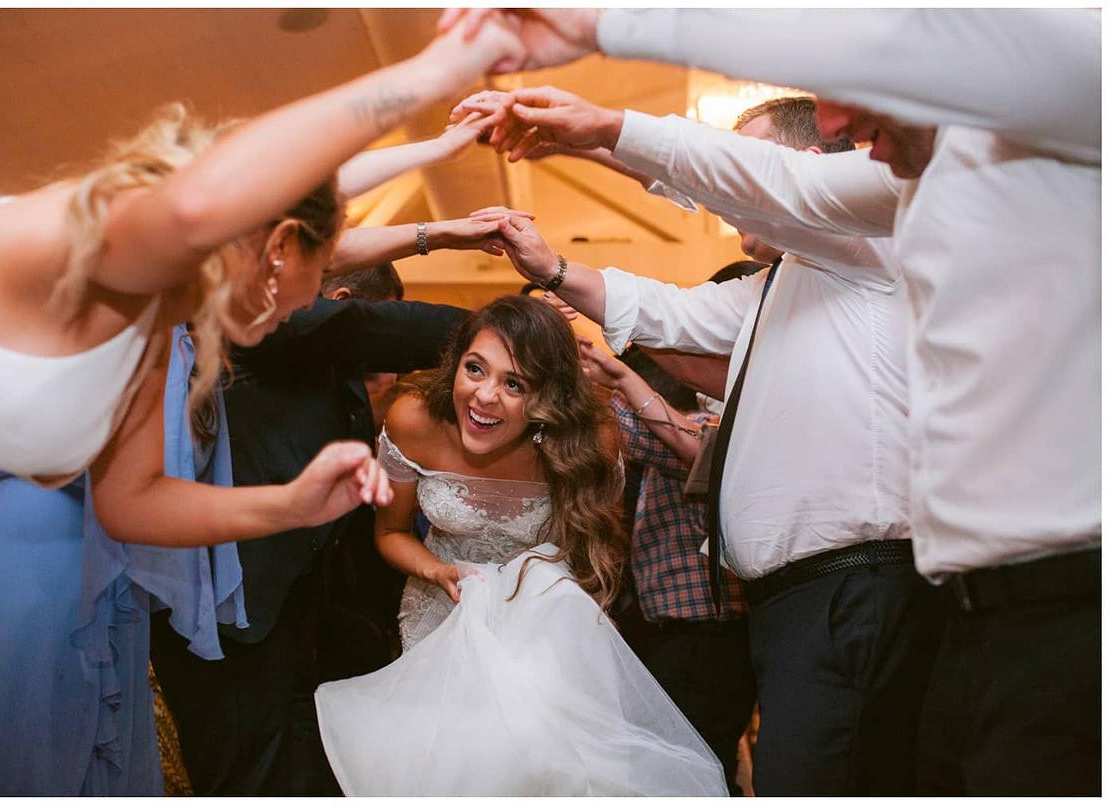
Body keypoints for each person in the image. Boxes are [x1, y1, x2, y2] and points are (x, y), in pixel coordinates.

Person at [450, 8, 1100, 795]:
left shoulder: (881, 228)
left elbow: (786, 181)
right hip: (913, 607)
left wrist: (601, 41)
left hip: (937, 592)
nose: (838, 122)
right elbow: (668, 306)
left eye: (844, 88)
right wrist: (554, 264)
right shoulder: (799, 270)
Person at [0, 14, 523, 793]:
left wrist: (289, 505)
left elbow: (132, 503)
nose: (301, 309)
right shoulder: (108, 248)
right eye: (311, 280)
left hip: (26, 557)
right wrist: (446, 68)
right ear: (276, 249)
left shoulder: (148, 324)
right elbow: (210, 203)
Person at [472, 92, 946, 795]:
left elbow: (757, 185)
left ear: (806, 166)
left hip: (853, 588)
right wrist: (551, 268)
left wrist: (599, 132)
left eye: (747, 157)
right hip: (803, 601)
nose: (731, 185)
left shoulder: (868, 244)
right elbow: (666, 311)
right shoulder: (779, 285)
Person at [315, 296, 727, 796]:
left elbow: (597, 548)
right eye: (475, 368)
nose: (484, 396)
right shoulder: (414, 420)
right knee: (442, 769)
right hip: (439, 615)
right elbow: (390, 533)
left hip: (547, 632)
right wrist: (436, 571)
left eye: (515, 384)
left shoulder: (590, 439)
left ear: (550, 396)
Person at [149, 261, 469, 795]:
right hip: (222, 607)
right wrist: (503, 328)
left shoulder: (317, 356)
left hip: (287, 607)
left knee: (287, 763)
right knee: (241, 775)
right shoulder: (261, 325)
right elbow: (389, 329)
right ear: (339, 302)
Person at [582, 342, 756, 796]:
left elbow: (628, 430)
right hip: (682, 636)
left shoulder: (701, 429)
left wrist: (600, 379)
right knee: (692, 767)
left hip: (705, 639)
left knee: (694, 770)